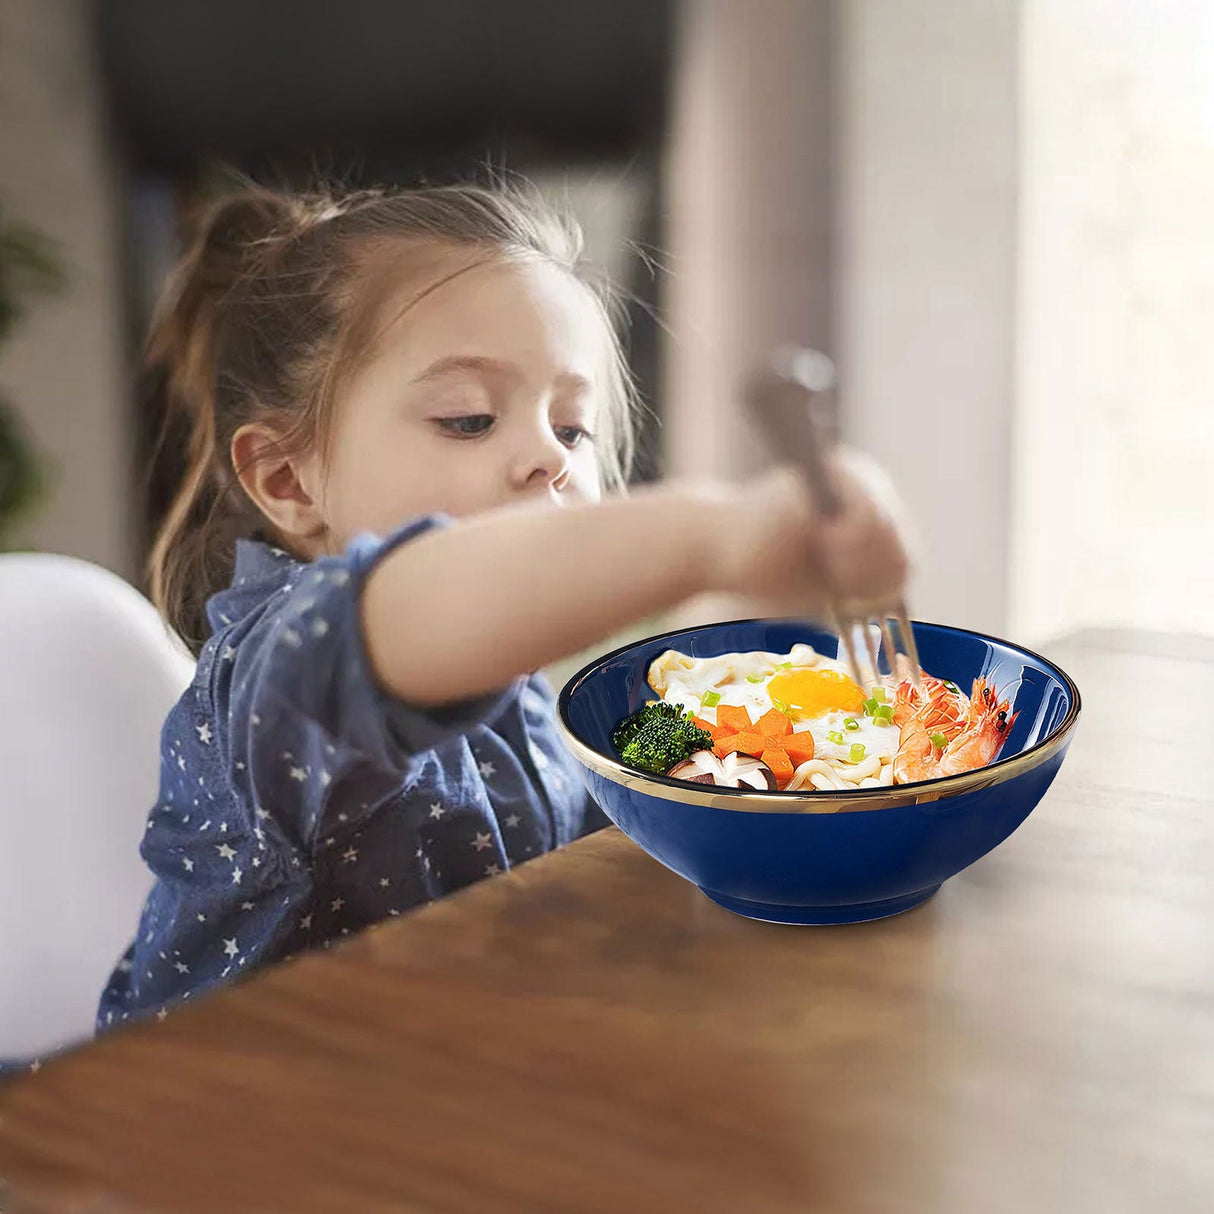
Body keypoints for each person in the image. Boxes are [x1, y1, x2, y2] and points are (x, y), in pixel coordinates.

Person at [98, 180, 910, 1029]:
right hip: (203, 1134)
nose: (547, 457)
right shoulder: (277, 673)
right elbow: (412, 605)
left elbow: (600, 782)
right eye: (469, 419)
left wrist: (750, 718)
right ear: (287, 478)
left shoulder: (511, 684)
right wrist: (716, 531)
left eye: (573, 427)